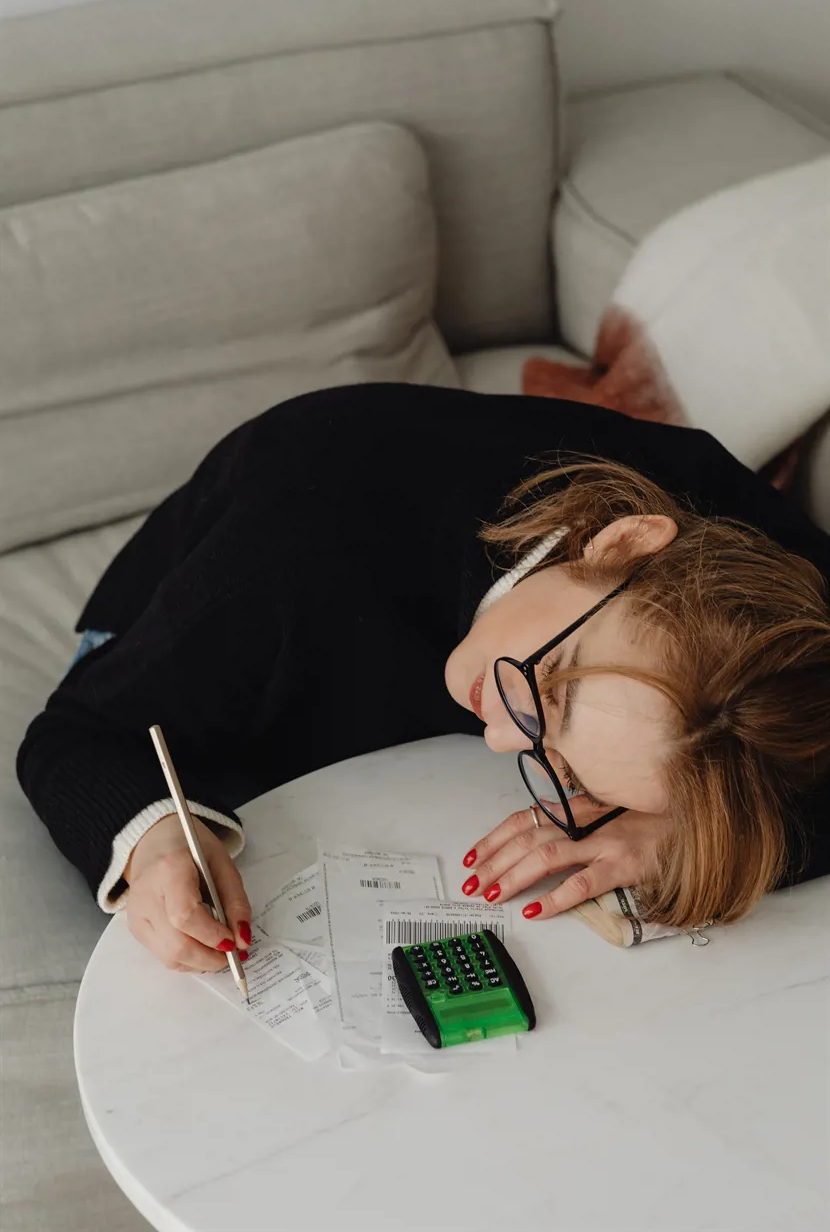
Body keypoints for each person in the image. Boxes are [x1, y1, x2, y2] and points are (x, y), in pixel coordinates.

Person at [17, 383, 830, 973]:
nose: (500, 737)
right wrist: (156, 841)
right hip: (242, 599)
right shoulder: (271, 579)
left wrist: (691, 832)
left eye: (570, 769)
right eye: (550, 689)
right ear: (621, 544)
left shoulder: (766, 589)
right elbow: (73, 736)